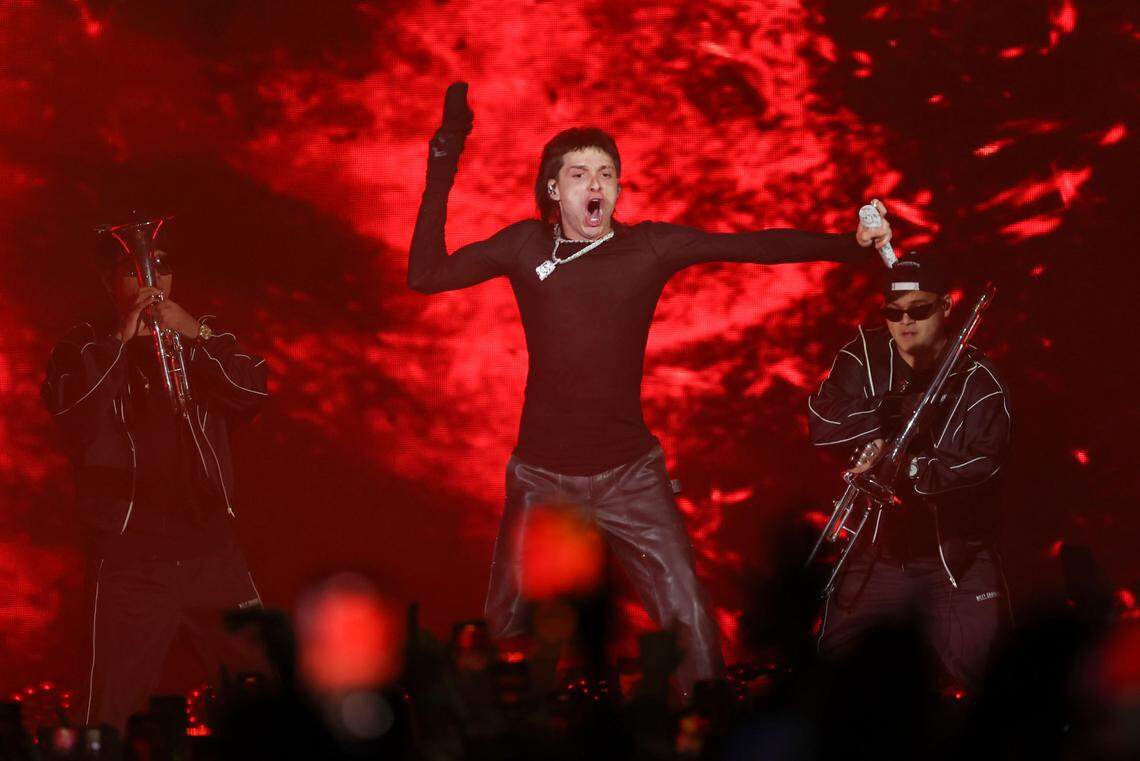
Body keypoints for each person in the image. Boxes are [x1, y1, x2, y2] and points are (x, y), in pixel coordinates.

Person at [410, 82, 891, 694]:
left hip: (630, 474)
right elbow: (424, 275)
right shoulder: (524, 245)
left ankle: (707, 728)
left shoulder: (648, 247)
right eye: (580, 174)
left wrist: (850, 248)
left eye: (607, 174)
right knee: (511, 630)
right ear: (553, 190)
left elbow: (753, 247)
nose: (596, 185)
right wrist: (445, 155)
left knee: (689, 620)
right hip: (541, 477)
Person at [41, 214, 270, 730]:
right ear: (107, 283)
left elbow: (252, 393)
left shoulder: (201, 338)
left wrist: (197, 332)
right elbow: (71, 412)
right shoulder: (81, 347)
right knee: (110, 711)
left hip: (212, 554)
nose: (151, 284)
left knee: (265, 698)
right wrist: (123, 340)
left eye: (160, 270)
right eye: (133, 272)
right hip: (131, 564)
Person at [808, 253, 1012, 690]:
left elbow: (985, 462)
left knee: (985, 685)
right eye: (893, 312)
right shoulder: (863, 352)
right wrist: (882, 419)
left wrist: (916, 468)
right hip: (873, 555)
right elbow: (821, 423)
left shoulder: (978, 379)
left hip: (953, 561)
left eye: (919, 310)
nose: (905, 322)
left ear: (946, 307)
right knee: (835, 683)